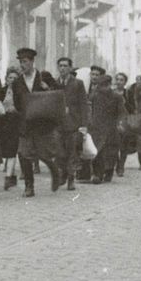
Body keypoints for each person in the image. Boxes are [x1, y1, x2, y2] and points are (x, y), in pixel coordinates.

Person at [11, 48, 61, 197]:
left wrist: (48, 89)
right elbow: (17, 103)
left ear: (32, 62)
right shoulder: (17, 82)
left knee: (43, 154)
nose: (22, 65)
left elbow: (58, 93)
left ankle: (54, 170)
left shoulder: (44, 77)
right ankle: (29, 186)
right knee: (24, 154)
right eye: (20, 62)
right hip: (26, 123)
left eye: (25, 62)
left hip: (43, 124)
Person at [53, 57, 88, 191]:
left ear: (70, 68)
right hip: (59, 124)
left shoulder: (78, 83)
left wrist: (84, 125)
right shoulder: (55, 84)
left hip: (74, 123)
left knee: (72, 152)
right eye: (60, 66)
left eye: (65, 66)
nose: (62, 68)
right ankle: (63, 173)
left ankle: (71, 179)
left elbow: (83, 105)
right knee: (60, 152)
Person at [88, 75, 125, 183]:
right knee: (97, 151)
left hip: (111, 128)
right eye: (100, 86)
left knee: (110, 152)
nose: (102, 88)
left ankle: (108, 172)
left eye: (104, 86)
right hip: (97, 128)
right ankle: (97, 175)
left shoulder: (117, 97)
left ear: (109, 85)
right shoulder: (94, 96)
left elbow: (122, 112)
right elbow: (90, 110)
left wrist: (120, 123)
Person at [0, 66, 22, 190]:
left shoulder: (21, 93)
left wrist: (17, 110)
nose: (12, 80)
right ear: (6, 79)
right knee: (6, 148)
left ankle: (8, 178)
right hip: (3, 122)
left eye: (15, 78)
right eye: (10, 77)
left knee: (12, 148)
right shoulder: (1, 91)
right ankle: (11, 176)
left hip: (16, 122)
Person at [112, 73, 136, 176]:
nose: (119, 82)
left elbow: (133, 109)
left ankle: (121, 165)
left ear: (125, 82)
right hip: (114, 121)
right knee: (115, 144)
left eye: (121, 80)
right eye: (117, 79)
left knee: (124, 145)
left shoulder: (128, 93)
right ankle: (117, 162)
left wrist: (125, 102)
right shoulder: (112, 93)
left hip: (126, 121)